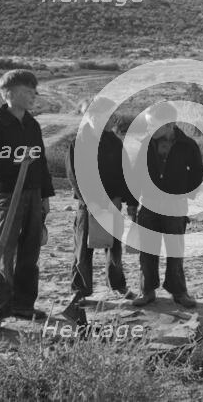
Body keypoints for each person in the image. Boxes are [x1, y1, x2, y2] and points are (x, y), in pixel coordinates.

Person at [0, 69, 54, 330]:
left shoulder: (32, 124)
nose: (32, 96)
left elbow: (41, 162)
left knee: (30, 250)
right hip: (9, 195)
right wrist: (13, 161)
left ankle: (23, 305)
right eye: (26, 92)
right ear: (8, 94)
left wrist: (46, 195)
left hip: (33, 193)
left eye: (34, 92)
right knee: (4, 253)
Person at [64, 97, 137, 311]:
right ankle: (79, 291)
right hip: (88, 207)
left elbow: (126, 175)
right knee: (82, 251)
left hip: (113, 203)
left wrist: (131, 203)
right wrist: (90, 202)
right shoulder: (79, 142)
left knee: (114, 249)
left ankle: (118, 285)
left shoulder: (114, 142)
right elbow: (73, 176)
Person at [130, 101, 203, 309]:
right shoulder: (144, 143)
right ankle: (147, 290)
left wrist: (186, 194)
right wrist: (132, 203)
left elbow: (198, 171)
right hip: (149, 206)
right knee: (147, 251)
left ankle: (179, 292)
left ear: (169, 124)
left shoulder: (188, 144)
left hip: (175, 206)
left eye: (152, 124)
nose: (148, 129)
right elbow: (135, 174)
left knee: (175, 251)